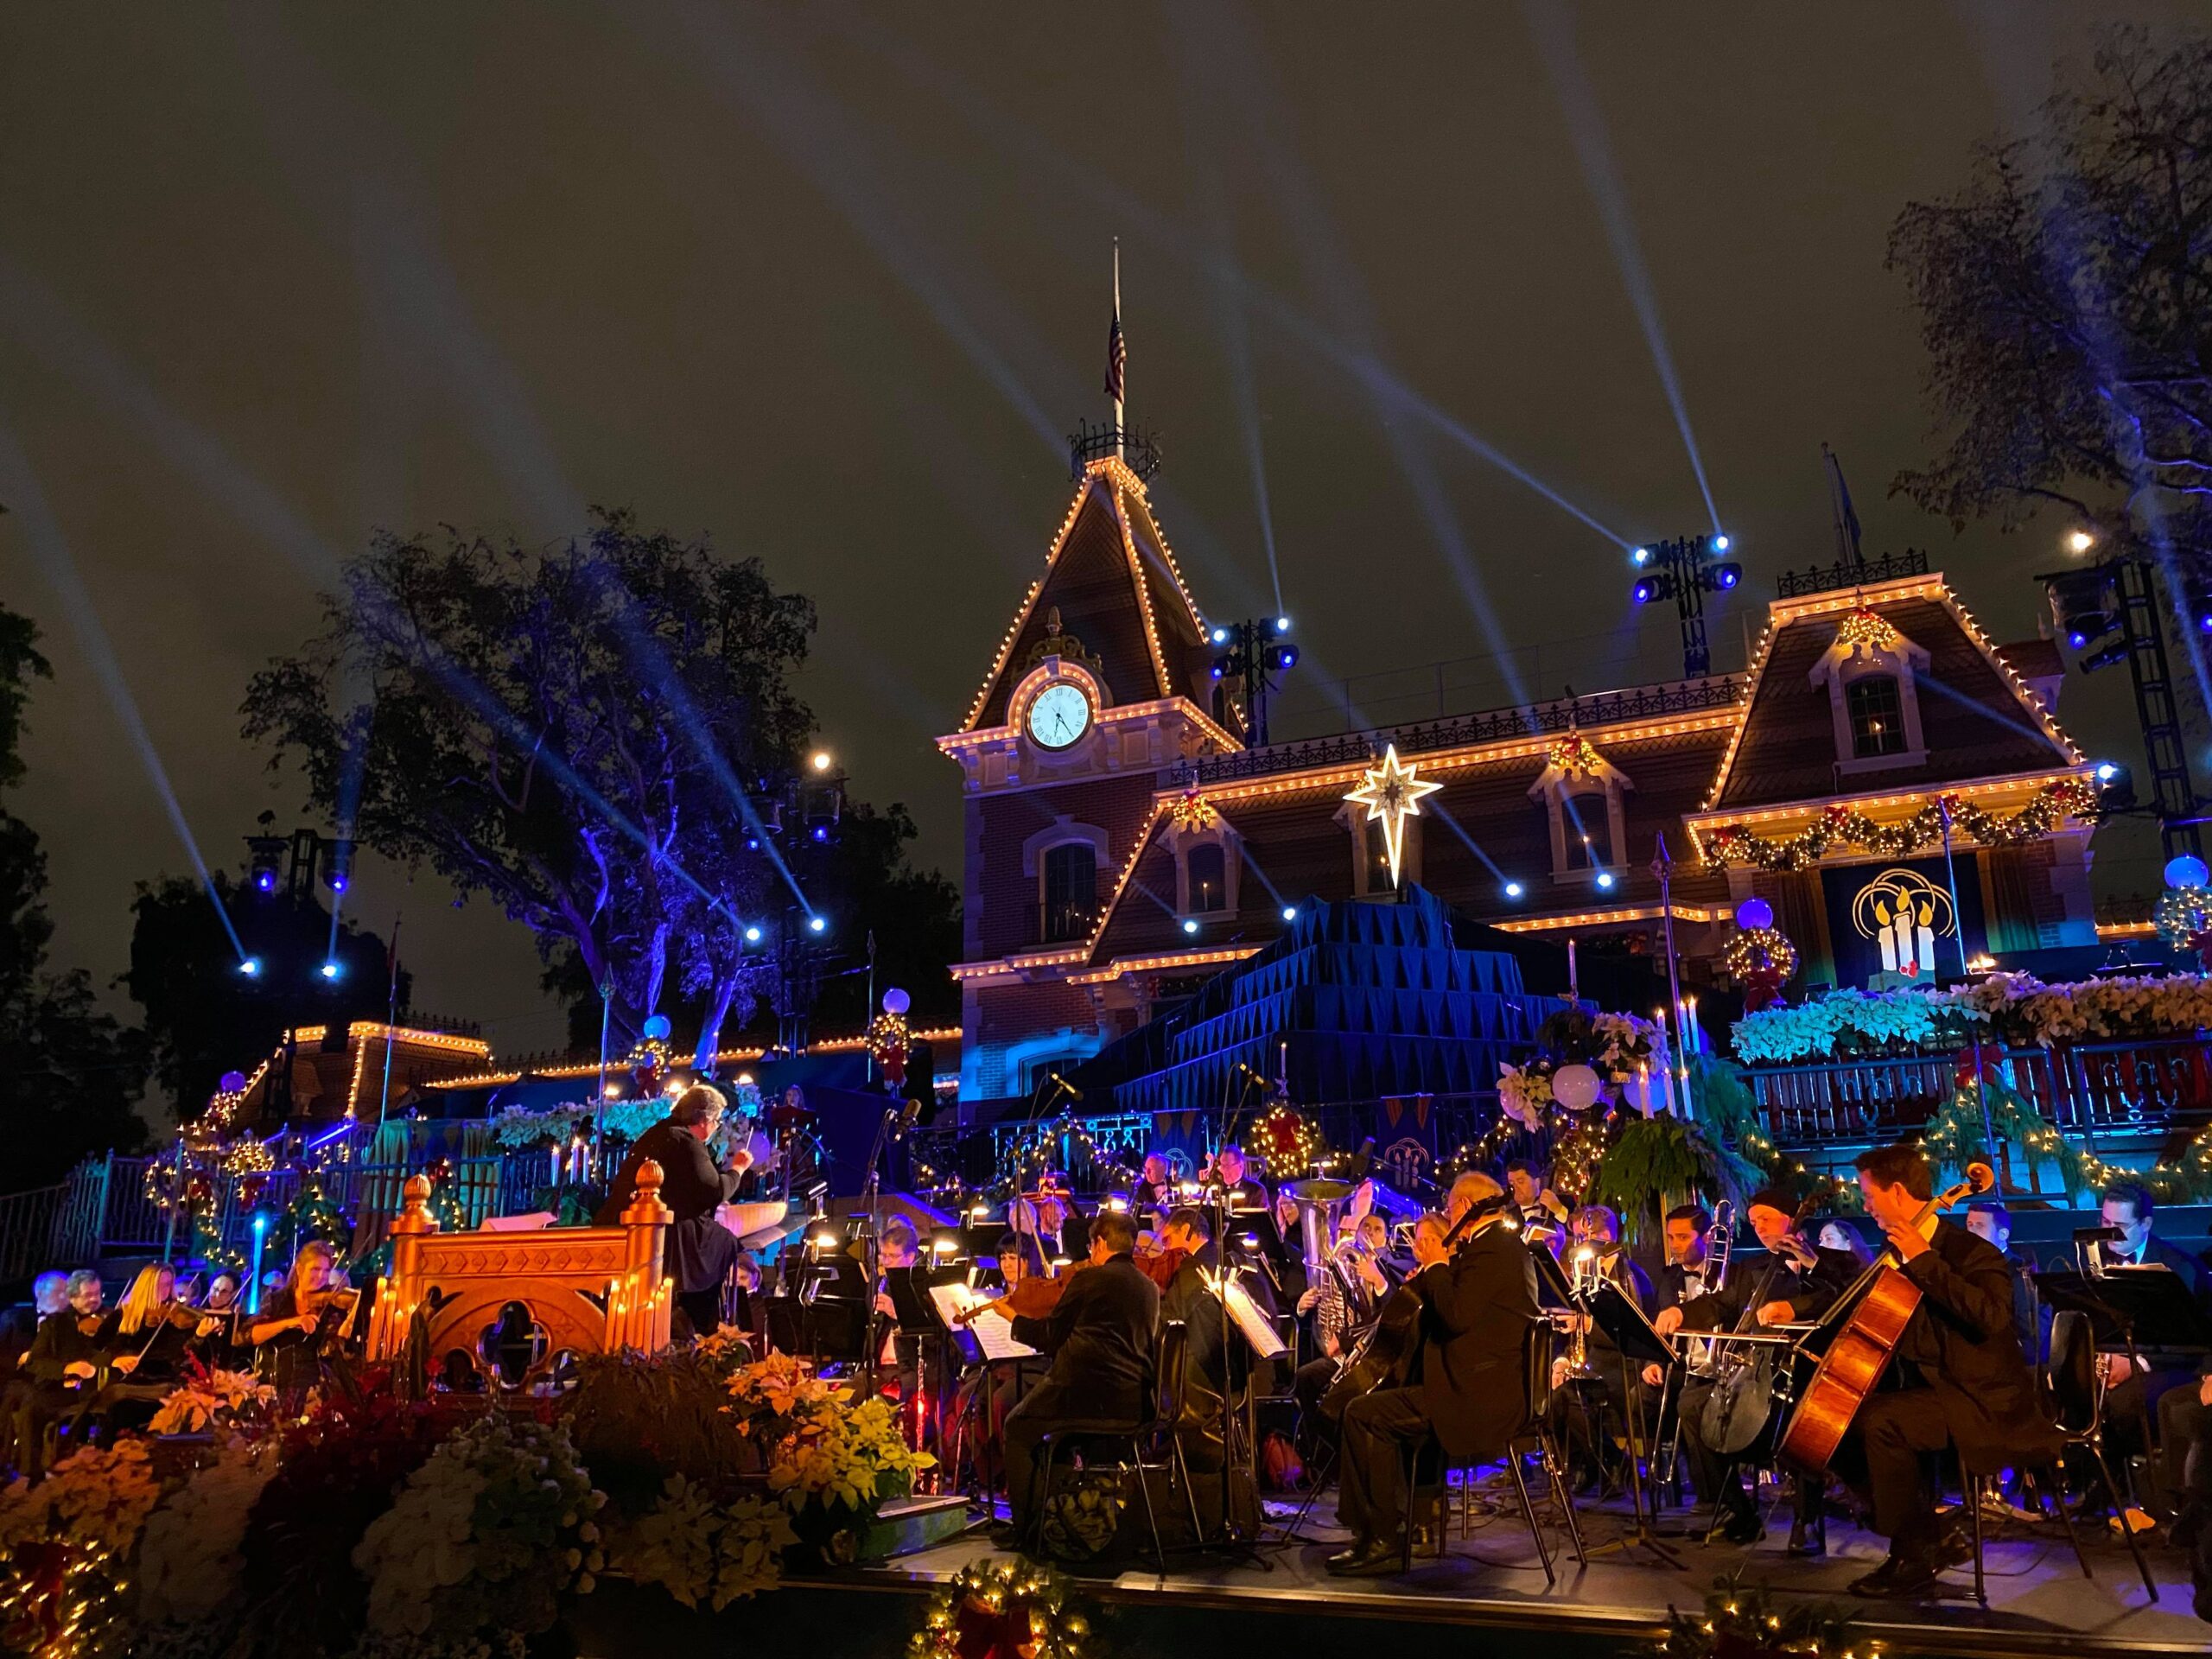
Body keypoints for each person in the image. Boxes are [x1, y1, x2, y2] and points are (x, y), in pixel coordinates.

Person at [1830, 1143, 2061, 1599]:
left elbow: (1991, 1317)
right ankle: (1925, 1539)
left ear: (1897, 1192)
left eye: (1869, 1194)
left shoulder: (1971, 1252)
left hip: (1981, 1398)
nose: (1865, 1205)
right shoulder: (1892, 1248)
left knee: (1881, 1422)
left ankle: (1913, 1554)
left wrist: (1923, 1259)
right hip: (1931, 1389)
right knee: (1837, 1423)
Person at [1329, 1172, 1536, 1576]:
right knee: (1378, 1405)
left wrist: (1439, 1265)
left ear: (1462, 1208)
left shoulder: (1493, 1249)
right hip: (1480, 1386)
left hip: (1476, 1397)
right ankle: (1390, 1526)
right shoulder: (1499, 1247)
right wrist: (1427, 1278)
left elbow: (1456, 1316)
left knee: (1363, 1415)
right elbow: (1460, 1304)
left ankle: (1383, 1538)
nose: (1446, 1215)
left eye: (1448, 1208)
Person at [1654, 1187, 1858, 1552]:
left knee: (1802, 1420)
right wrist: (1682, 1313)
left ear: (1791, 1218)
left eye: (1766, 1219)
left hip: (1812, 1369)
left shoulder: (1832, 1261)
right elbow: (1721, 1303)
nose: (1759, 1227)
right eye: (1754, 1222)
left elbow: (1844, 1293)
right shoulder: (1752, 1269)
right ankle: (1739, 1511)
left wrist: (1795, 1307)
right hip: (1760, 1371)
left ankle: (1807, 1521)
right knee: (1692, 1404)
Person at [970, 1208, 1158, 1545]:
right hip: (1134, 1400)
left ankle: (1028, 1530)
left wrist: (1012, 1316)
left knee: (1018, 1426)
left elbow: (1049, 1337)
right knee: (1052, 1435)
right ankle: (1054, 1520)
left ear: (1099, 1243)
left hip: (1086, 1395)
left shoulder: (1089, 1279)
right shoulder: (1148, 1286)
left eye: (1091, 1245)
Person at [595, 1083, 754, 1338]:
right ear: (703, 1119)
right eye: (716, 1121)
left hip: (629, 1221)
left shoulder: (659, 1132)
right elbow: (714, 1192)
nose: (716, 1128)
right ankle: (704, 1322)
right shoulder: (685, 1140)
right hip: (661, 1229)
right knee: (725, 1242)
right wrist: (738, 1169)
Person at [1544, 1205, 1656, 1491]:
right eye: (1577, 1237)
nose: (1579, 1244)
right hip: (1594, 1362)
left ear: (1605, 1235)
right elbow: (1571, 1328)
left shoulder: (1631, 1276)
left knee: (1585, 1396)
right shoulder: (1582, 1275)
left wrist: (1588, 1326)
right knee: (1556, 1398)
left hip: (1625, 1362)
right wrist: (1561, 1362)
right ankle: (1600, 1463)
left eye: (1585, 1236)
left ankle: (1606, 1465)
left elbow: (1634, 1334)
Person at [250, 1242, 359, 1400]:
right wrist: (293, 1321)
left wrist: (351, 1316)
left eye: (326, 1270)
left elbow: (336, 1349)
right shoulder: (277, 1299)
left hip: (314, 1391)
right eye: (315, 1269)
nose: (322, 1276)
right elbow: (252, 1334)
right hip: (275, 1384)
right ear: (300, 1269)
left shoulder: (331, 1305)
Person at [1963, 1199, 2041, 1362]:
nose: (1971, 1232)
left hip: (2009, 1361)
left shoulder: (2019, 1270)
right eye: (1969, 1225)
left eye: (1980, 1226)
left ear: (2003, 1234)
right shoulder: (1964, 1268)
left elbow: (2028, 1326)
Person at [1504, 1159, 1567, 1253]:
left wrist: (1558, 1209)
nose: (1515, 1188)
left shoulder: (1555, 1208)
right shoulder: (1507, 1217)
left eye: (1521, 1182)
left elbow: (1572, 1226)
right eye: (1512, 1184)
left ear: (1537, 1182)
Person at [1205, 1146, 1267, 1212]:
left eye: (1227, 1166)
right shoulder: (1217, 1190)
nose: (1224, 1171)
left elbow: (1259, 1219)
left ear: (1241, 1166)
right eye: (1222, 1166)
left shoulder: (1257, 1190)